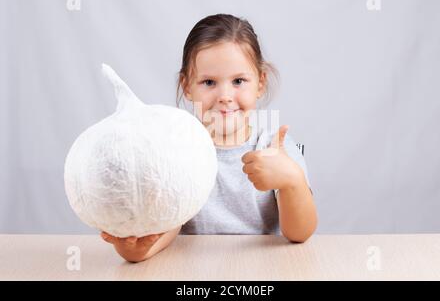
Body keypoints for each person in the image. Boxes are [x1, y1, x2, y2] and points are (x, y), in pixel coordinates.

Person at [101, 14, 317, 263]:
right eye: (209, 82)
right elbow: (168, 227)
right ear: (187, 86)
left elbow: (300, 233)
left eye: (238, 81)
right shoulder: (176, 151)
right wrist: (135, 249)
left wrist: (292, 181)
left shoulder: (275, 147)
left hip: (263, 269)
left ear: (260, 82)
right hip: (193, 271)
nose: (225, 95)